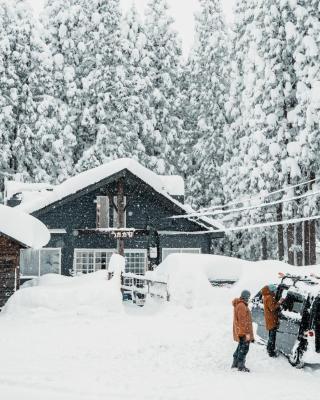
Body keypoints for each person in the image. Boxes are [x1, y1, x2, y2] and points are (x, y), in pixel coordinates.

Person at [232, 290, 254, 372]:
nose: (249, 298)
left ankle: (235, 363)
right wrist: (244, 334)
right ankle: (241, 366)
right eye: (248, 296)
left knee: (241, 346)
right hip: (245, 332)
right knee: (244, 348)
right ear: (246, 296)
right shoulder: (241, 306)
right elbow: (242, 321)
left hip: (244, 331)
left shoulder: (241, 304)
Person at [261, 284, 283, 357]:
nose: (275, 292)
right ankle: (271, 352)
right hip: (271, 319)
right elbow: (272, 308)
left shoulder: (266, 296)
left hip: (269, 318)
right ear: (271, 290)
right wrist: (279, 302)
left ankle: (269, 349)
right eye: (274, 290)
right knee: (272, 337)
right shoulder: (269, 297)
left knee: (271, 335)